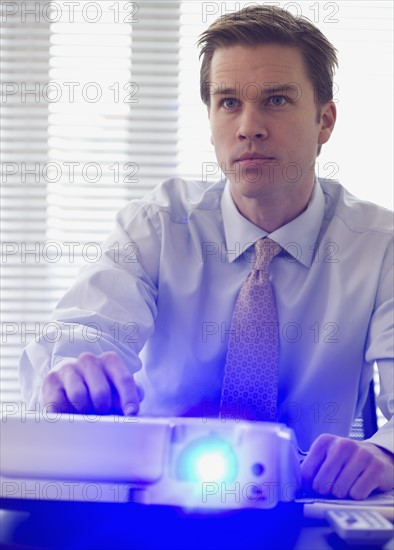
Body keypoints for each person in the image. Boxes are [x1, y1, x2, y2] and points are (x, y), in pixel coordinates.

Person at [19, 5, 393, 500]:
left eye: (277, 100)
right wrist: (70, 375)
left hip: (305, 506)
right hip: (160, 503)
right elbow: (81, 331)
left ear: (325, 121)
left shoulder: (380, 244)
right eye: (229, 102)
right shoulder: (156, 226)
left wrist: (385, 453)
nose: (249, 127)